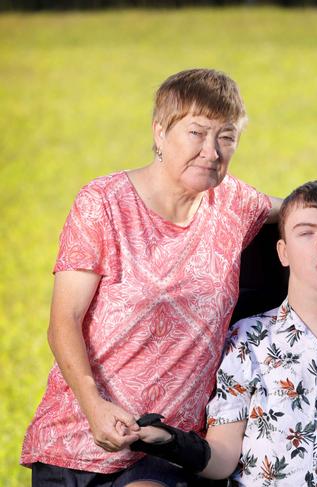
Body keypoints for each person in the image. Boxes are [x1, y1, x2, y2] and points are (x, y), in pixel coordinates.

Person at [21, 68, 282, 486]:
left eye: (226, 137)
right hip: (76, 435)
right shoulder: (103, 203)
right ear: (160, 132)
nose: (212, 151)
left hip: (164, 448)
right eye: (196, 132)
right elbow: (62, 322)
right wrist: (94, 406)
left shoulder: (234, 202)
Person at [131, 180, 317, 487]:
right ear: (283, 252)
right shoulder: (247, 340)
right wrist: (168, 441)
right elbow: (224, 457)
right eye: (306, 232)